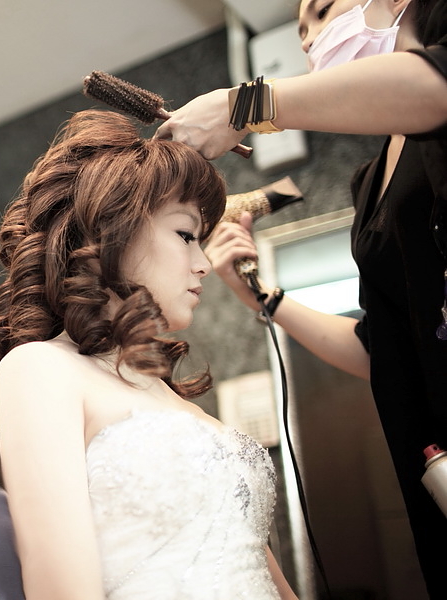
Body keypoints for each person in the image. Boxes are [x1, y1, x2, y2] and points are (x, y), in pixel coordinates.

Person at [156, 0, 447, 596]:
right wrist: (260, 298)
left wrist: (244, 106)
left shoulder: (431, 104)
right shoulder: (370, 183)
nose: (310, 40)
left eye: (322, 12)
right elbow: (380, 349)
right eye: (301, 32)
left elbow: (434, 89)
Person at [0, 109, 298, 599]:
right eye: (186, 235)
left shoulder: (174, 400)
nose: (203, 263)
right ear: (112, 230)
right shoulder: (41, 369)